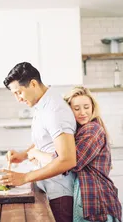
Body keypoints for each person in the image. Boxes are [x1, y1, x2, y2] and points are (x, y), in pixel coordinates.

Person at [28, 86, 122, 222]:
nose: (82, 112)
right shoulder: (79, 130)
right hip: (90, 198)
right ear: (69, 110)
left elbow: (69, 162)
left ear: (93, 108)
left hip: (96, 198)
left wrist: (36, 153)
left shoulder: (92, 130)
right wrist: (29, 153)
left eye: (86, 107)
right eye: (76, 109)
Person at [0, 62, 77, 222]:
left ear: (33, 84)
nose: (17, 99)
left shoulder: (55, 110)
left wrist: (25, 177)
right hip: (46, 186)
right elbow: (46, 141)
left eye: (18, 92)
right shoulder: (42, 105)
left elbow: (68, 159)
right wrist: (23, 155)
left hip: (59, 191)